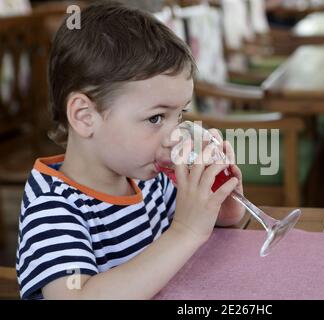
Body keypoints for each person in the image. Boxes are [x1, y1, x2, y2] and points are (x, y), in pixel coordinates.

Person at [16, 1, 245, 299]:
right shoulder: (52, 210)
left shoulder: (152, 180)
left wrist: (222, 208)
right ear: (85, 116)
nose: (175, 136)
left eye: (181, 115)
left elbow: (195, 226)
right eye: (155, 118)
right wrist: (184, 232)